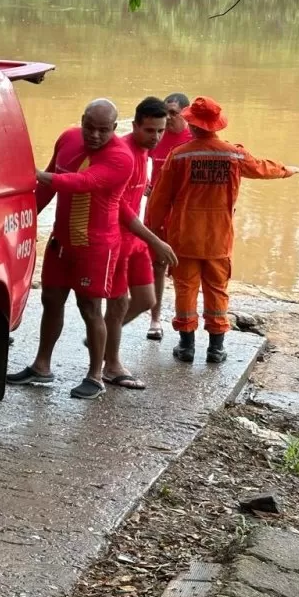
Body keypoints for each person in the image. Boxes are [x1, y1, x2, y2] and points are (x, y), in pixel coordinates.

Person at [8, 99, 176, 400]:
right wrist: (24, 223)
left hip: (97, 246)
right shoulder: (68, 138)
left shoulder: (121, 158)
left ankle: (96, 375)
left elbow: (79, 182)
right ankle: (41, 366)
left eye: (103, 130)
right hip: (62, 240)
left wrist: (29, 172)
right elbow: (50, 185)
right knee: (50, 299)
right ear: (81, 120)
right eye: (90, 127)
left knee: (91, 308)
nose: (95, 135)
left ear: (114, 128)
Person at [145, 96, 299, 364]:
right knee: (217, 290)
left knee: (185, 289)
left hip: (185, 237)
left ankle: (186, 348)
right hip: (219, 239)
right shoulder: (233, 154)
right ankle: (216, 349)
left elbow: (159, 199)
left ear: (192, 125)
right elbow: (263, 168)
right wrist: (287, 170)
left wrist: (153, 233)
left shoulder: (179, 155)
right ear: (216, 126)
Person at [100, 96, 169, 389]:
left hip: (135, 239)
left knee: (146, 299)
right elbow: (119, 208)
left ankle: (100, 335)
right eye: (150, 130)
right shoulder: (122, 153)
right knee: (118, 304)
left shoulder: (145, 153)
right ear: (135, 125)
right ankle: (111, 365)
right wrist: (156, 240)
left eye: (161, 131)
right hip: (117, 237)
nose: (156, 137)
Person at [144, 92, 192, 340]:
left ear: (186, 113)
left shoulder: (193, 137)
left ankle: (186, 324)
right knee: (157, 264)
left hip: (184, 214)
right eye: (166, 112)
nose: (168, 118)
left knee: (185, 267)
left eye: (174, 113)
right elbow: (137, 157)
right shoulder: (156, 134)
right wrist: (142, 183)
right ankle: (155, 319)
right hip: (156, 211)